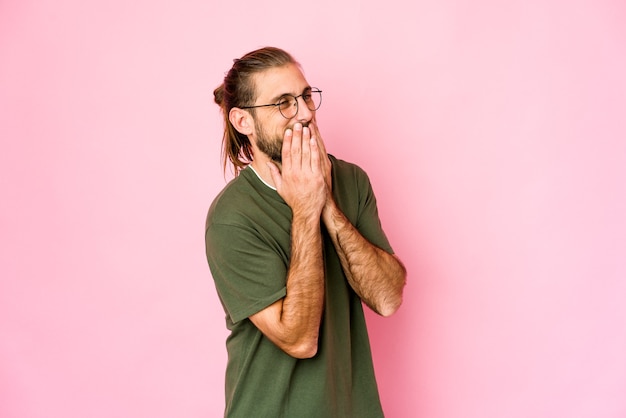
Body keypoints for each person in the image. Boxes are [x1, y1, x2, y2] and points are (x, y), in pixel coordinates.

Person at [205, 46, 407, 418]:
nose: (304, 113)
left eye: (305, 96)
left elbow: (388, 298)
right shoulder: (231, 217)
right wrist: (305, 211)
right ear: (242, 121)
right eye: (283, 103)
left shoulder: (351, 180)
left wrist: (326, 203)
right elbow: (298, 339)